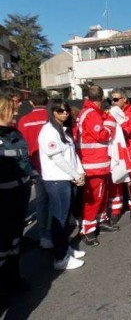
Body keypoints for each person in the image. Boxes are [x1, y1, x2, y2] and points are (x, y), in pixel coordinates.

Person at [38, 99, 86, 270]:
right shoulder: (48, 131)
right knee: (60, 218)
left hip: (68, 179)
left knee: (65, 219)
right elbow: (57, 158)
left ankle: (65, 249)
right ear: (53, 112)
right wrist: (75, 174)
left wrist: (79, 172)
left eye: (66, 110)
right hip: (57, 180)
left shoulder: (63, 131)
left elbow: (72, 155)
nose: (65, 113)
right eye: (60, 111)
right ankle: (60, 258)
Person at [76, 85, 118, 247]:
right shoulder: (92, 113)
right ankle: (88, 230)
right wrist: (110, 123)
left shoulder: (86, 111)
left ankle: (100, 220)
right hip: (94, 164)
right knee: (94, 198)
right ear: (101, 98)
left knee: (100, 195)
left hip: (95, 162)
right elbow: (102, 135)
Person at [0, 91, 32, 294]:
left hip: (19, 197)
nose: (17, 111)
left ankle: (13, 280)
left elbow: (24, 161)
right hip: (2, 201)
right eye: (13, 108)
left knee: (14, 243)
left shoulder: (15, 134)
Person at [17, 89, 51, 249]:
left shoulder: (23, 121)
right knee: (58, 200)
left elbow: (21, 147)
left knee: (42, 201)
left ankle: (45, 236)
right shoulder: (52, 117)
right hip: (55, 166)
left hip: (36, 167)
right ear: (47, 101)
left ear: (30, 103)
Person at [108, 89, 131, 222]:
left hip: (130, 151)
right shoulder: (110, 112)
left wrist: (118, 118)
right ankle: (116, 210)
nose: (113, 102)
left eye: (116, 99)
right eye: (112, 100)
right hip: (115, 152)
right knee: (115, 181)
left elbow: (129, 130)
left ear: (124, 99)